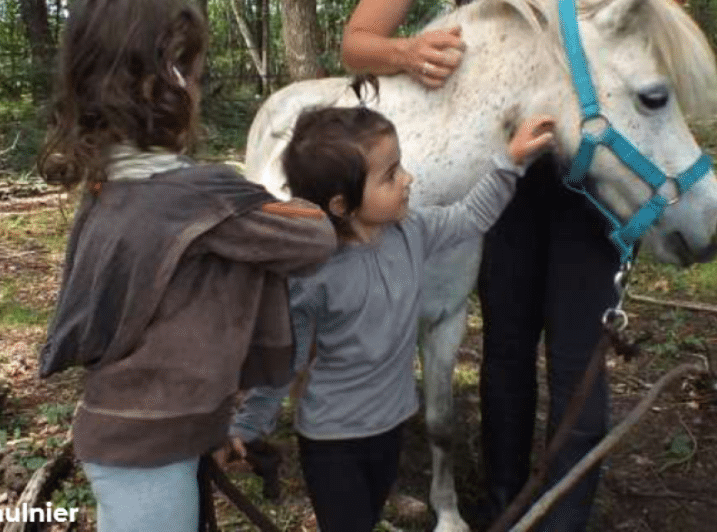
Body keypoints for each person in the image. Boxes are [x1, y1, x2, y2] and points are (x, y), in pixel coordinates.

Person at [339, 0, 702, 532]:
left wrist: (610, 35)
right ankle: (506, 507)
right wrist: (405, 54)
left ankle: (563, 516)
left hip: (593, 160)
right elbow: (359, 38)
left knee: (576, 346)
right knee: (502, 347)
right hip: (492, 165)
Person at [36, 0, 338, 532]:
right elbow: (313, 238)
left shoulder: (109, 187)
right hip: (149, 445)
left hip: (133, 430)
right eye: (194, 78)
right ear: (165, 83)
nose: (198, 93)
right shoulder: (200, 197)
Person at [223, 104, 556, 532]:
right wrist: (250, 424)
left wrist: (510, 161)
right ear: (342, 204)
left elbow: (471, 216)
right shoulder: (313, 273)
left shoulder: (412, 231)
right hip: (332, 442)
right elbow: (288, 356)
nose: (408, 179)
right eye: (390, 175)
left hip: (391, 428)